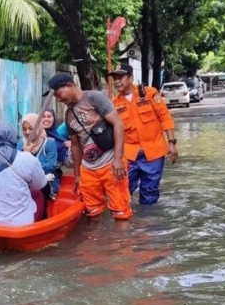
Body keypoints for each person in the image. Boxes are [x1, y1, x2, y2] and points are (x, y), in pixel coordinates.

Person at [47, 73, 132, 220]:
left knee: (121, 211)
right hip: (88, 168)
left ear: (69, 85)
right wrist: (77, 175)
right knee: (92, 212)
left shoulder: (94, 98)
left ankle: (122, 241)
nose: (59, 99)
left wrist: (118, 159)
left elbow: (118, 124)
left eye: (59, 94)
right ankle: (96, 242)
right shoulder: (68, 115)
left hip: (110, 162)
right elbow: (75, 145)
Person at [109, 64, 178, 205]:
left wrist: (172, 143)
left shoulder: (150, 93)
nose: (116, 81)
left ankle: (148, 223)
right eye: (114, 78)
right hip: (129, 155)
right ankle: (125, 223)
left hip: (154, 153)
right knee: (123, 191)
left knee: (150, 193)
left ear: (131, 78)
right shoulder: (113, 104)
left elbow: (165, 117)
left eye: (120, 77)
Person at [0, 121, 48, 226]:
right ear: (13, 139)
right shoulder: (27, 158)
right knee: (38, 195)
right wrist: (27, 154)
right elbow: (39, 184)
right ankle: (40, 227)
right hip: (18, 224)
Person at [18, 113, 60, 220]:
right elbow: (15, 165)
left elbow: (51, 166)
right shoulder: (20, 144)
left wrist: (28, 156)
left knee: (39, 190)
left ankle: (42, 217)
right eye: (24, 129)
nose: (27, 132)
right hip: (25, 178)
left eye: (31, 128)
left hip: (46, 178)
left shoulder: (49, 143)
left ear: (38, 127)